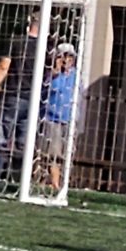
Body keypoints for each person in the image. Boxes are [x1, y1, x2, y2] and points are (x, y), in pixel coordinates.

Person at [0, 11, 47, 180]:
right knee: (23, 143)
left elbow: (4, 66)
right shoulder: (47, 48)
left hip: (13, 95)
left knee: (1, 138)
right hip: (34, 99)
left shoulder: (17, 42)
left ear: (29, 23)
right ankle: (19, 180)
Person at [39, 43, 78, 190]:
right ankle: (54, 182)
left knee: (67, 153)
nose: (66, 60)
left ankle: (62, 182)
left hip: (69, 119)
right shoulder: (51, 75)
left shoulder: (75, 75)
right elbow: (52, 89)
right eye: (63, 56)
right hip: (52, 118)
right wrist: (56, 72)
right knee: (52, 152)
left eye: (69, 57)